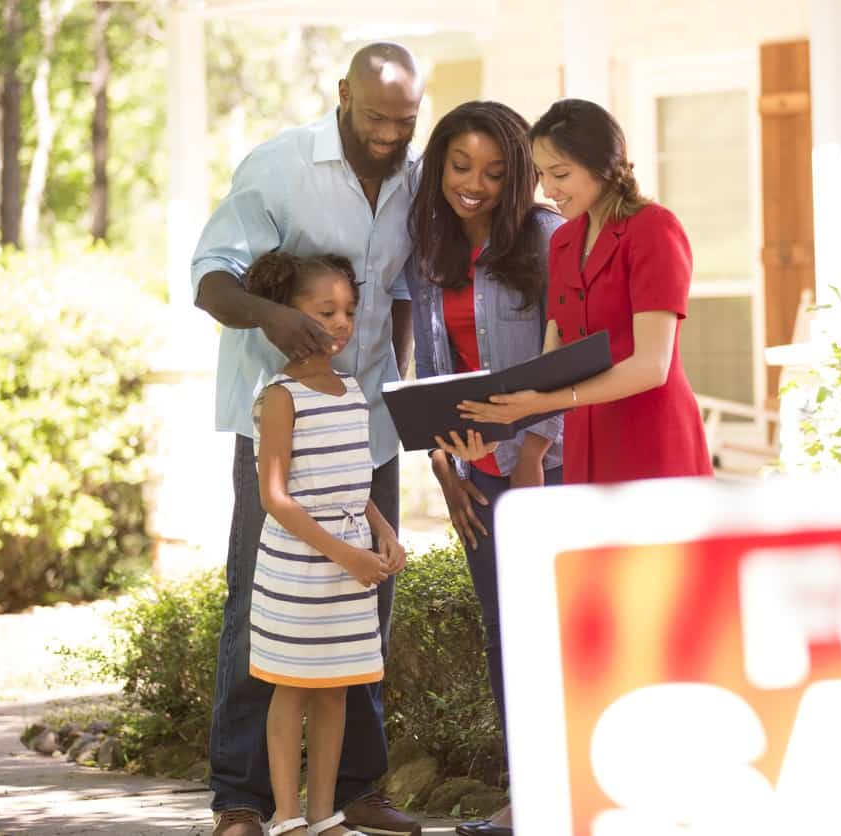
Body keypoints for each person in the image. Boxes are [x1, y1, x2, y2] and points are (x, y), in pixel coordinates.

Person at [190, 42, 425, 836]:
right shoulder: (278, 167)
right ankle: (243, 801)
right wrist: (273, 318)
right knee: (261, 609)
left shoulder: (413, 180)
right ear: (340, 97)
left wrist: (401, 374)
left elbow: (397, 291)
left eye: (405, 121)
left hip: (367, 426)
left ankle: (355, 791)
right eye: (375, 119)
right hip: (281, 419)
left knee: (365, 604)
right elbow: (212, 277)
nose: (391, 136)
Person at [406, 100, 564, 836]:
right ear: (439, 163)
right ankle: (526, 798)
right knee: (506, 633)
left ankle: (578, 791)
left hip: (551, 469)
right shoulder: (429, 250)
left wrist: (533, 453)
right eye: (461, 166)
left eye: (496, 173)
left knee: (557, 630)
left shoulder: (548, 237)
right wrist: (447, 471)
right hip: (478, 473)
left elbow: (569, 355)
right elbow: (438, 371)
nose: (474, 184)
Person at [457, 98, 713, 484]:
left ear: (602, 165)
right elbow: (551, 363)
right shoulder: (563, 241)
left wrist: (546, 403)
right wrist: (500, 424)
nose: (548, 189)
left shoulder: (654, 229)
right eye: (542, 174)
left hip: (653, 441)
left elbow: (652, 366)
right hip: (586, 444)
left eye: (560, 174)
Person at [245, 253, 406, 836]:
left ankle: (322, 816)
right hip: (300, 570)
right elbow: (275, 497)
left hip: (351, 570)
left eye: (349, 311)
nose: (342, 322)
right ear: (290, 316)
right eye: (325, 311)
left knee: (337, 690)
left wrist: (384, 532)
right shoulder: (282, 397)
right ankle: (287, 817)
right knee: (292, 690)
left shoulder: (352, 391)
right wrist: (346, 554)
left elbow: (354, 483)